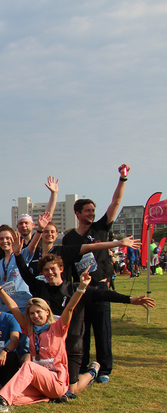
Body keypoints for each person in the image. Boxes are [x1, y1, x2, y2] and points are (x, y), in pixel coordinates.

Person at [14, 245, 154, 397]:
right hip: (50, 349)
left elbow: (103, 294)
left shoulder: (75, 289)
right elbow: (25, 273)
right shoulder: (40, 288)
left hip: (72, 344)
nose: (49, 273)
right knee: (49, 387)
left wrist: (130, 300)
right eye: (46, 270)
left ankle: (92, 371)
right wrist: (17, 253)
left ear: (61, 268)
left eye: (53, 268)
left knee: (71, 390)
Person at [0, 268, 92, 413]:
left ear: (47, 312)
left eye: (38, 312)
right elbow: (13, 307)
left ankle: (2, 402)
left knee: (28, 366)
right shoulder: (31, 329)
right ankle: (50, 397)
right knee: (14, 396)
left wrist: (81, 288)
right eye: (32, 313)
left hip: (56, 380)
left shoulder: (58, 327)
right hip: (39, 380)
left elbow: (70, 308)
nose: (35, 316)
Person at [62, 164, 129, 383]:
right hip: (80, 290)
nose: (91, 213)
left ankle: (105, 370)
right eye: (87, 211)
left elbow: (116, 203)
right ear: (77, 213)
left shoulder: (101, 228)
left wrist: (123, 179)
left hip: (100, 286)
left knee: (102, 330)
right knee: (80, 330)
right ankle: (82, 366)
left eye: (93, 210)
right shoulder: (70, 239)